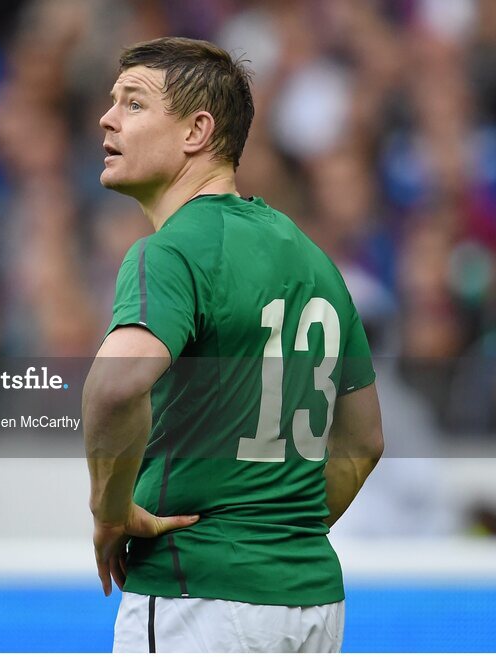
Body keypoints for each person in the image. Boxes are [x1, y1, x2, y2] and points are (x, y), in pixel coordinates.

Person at [82, 37, 384, 653]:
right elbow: (364, 440)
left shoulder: (170, 252)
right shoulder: (315, 260)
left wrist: (111, 512)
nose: (107, 119)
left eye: (133, 104)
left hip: (196, 594)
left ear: (197, 130)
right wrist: (272, 537)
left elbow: (114, 389)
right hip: (310, 603)